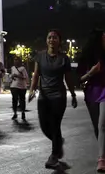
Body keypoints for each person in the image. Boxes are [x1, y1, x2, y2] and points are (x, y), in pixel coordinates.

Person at [28, 29, 77, 169]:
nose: (52, 40)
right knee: (44, 125)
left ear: (59, 41)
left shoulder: (64, 58)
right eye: (49, 37)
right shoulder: (40, 56)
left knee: (55, 125)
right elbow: (36, 75)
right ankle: (58, 142)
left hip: (58, 96)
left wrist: (73, 94)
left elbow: (68, 78)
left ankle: (54, 155)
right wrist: (32, 90)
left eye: (55, 38)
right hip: (43, 96)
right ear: (46, 40)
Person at [77, 29, 105, 171]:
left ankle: (101, 159)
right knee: (97, 127)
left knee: (102, 124)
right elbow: (79, 79)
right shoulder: (89, 58)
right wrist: (91, 72)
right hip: (93, 92)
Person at [9, 56, 29, 121]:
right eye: (14, 60)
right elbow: (11, 75)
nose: (15, 61)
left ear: (19, 61)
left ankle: (23, 113)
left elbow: (25, 77)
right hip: (14, 86)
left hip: (22, 87)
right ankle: (15, 113)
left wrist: (18, 76)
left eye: (17, 60)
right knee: (14, 99)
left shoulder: (22, 68)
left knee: (22, 100)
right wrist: (12, 76)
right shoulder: (12, 68)